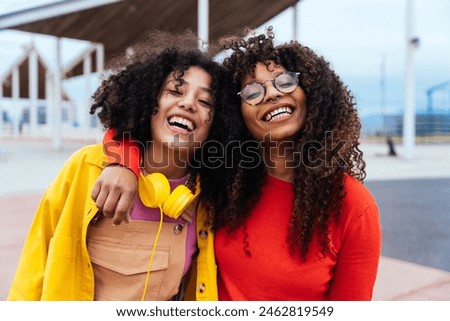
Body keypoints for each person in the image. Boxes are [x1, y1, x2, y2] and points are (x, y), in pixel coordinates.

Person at [96, 27, 382, 301]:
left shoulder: (354, 207)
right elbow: (139, 132)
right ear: (236, 114)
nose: (271, 94)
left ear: (313, 93)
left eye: (285, 82)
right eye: (252, 92)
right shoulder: (223, 180)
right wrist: (123, 162)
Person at [7, 31, 236, 301]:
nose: (188, 103)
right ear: (148, 101)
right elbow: (31, 274)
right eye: (175, 91)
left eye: (205, 101)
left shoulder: (207, 200)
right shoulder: (87, 168)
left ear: (218, 124)